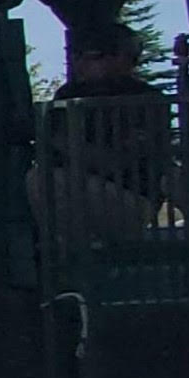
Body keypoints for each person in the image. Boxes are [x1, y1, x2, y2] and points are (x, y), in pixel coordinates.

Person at [31, 22, 171, 239]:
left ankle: (75, 251)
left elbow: (122, 161)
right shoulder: (68, 94)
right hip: (82, 190)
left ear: (121, 58)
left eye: (91, 56)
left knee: (46, 180)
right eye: (76, 56)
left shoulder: (145, 98)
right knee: (41, 179)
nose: (80, 64)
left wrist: (73, 149)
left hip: (131, 198)